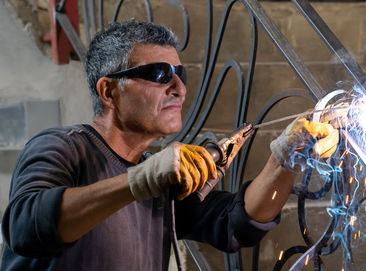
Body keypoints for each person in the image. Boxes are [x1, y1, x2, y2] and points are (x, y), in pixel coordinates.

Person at [0, 20, 338, 270]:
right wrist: (139, 181)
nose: (179, 87)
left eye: (181, 74)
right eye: (160, 74)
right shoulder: (63, 146)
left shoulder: (159, 178)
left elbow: (235, 224)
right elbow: (26, 226)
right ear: (108, 92)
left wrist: (286, 160)